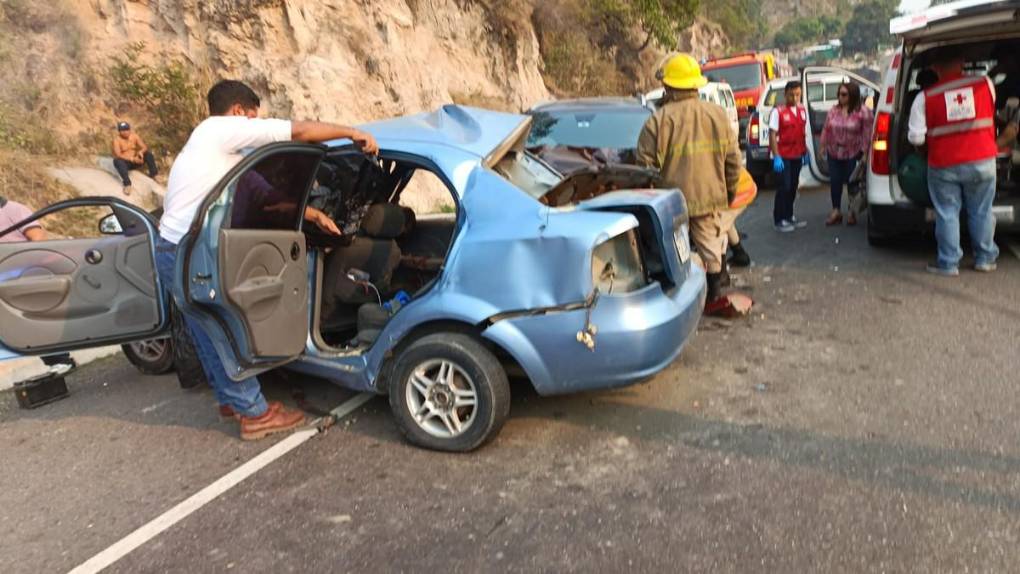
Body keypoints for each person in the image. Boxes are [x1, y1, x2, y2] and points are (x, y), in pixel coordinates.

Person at [158, 80, 378, 440]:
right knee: (223, 328)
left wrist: (312, 215)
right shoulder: (219, 130)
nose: (255, 123)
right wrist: (352, 133)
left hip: (176, 250)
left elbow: (267, 197)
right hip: (190, 251)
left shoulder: (220, 153)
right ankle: (254, 413)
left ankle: (231, 401)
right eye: (253, 117)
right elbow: (300, 131)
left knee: (207, 330)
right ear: (239, 111)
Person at [637, 53, 741, 303]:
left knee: (672, 251)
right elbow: (733, 161)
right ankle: (715, 296)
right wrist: (729, 193)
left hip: (671, 203)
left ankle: (678, 300)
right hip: (708, 197)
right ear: (696, 84)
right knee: (711, 248)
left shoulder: (657, 121)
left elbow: (644, 168)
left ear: (668, 86)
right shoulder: (717, 115)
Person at [907, 48, 1001, 275]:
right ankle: (985, 259)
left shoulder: (924, 97)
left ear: (935, 68)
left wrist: (925, 151)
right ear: (962, 61)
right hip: (982, 161)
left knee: (947, 213)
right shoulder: (985, 84)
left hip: (944, 165)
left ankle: (949, 263)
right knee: (982, 211)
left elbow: (916, 138)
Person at [0, 196, 76, 371]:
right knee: (19, 324)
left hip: (24, 276)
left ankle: (61, 360)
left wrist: (27, 268)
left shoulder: (13, 210)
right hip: (4, 281)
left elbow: (38, 238)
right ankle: (57, 361)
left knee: (35, 319)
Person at [820, 82, 874, 226]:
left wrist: (865, 154)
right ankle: (836, 210)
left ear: (852, 95)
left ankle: (852, 211)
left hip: (853, 152)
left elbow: (867, 134)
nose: (840, 97)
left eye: (844, 94)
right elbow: (826, 128)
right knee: (835, 181)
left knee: (853, 182)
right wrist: (822, 146)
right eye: (839, 94)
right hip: (834, 151)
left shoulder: (863, 112)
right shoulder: (834, 110)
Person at [769, 80, 811, 233]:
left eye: (798, 95)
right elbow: (772, 135)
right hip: (783, 156)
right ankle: (779, 219)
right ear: (785, 94)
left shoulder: (802, 110)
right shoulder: (778, 112)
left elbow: (801, 133)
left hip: (796, 155)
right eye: (791, 95)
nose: (795, 98)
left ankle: (789, 215)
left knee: (793, 186)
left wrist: (806, 151)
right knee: (784, 187)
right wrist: (776, 156)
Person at [112, 122, 158, 195]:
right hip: (126, 163)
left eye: (127, 130)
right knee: (117, 161)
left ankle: (154, 174)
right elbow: (118, 154)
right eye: (122, 130)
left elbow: (144, 147)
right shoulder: (117, 140)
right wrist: (132, 159)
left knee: (148, 154)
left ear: (129, 130)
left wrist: (140, 152)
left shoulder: (134, 136)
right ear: (119, 132)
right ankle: (127, 184)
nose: (125, 132)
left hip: (136, 160)